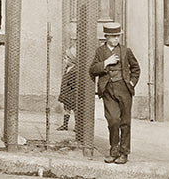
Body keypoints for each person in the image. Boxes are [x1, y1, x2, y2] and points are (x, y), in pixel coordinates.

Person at [88, 22, 140, 165]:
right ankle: (114, 151)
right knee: (113, 121)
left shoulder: (125, 50)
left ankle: (124, 153)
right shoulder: (100, 51)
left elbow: (136, 68)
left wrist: (131, 83)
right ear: (107, 37)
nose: (116, 39)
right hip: (108, 90)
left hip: (124, 89)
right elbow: (93, 69)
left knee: (125, 122)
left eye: (118, 36)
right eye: (113, 36)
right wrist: (106, 62)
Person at [57, 45, 77, 131]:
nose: (64, 60)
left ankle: (77, 126)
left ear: (71, 60)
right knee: (66, 109)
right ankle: (65, 125)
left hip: (72, 93)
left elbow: (73, 83)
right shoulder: (68, 68)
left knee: (76, 110)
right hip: (66, 93)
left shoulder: (75, 70)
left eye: (66, 58)